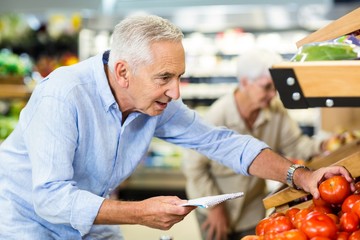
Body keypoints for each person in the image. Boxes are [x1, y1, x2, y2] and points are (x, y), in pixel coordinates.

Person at [0, 15, 353, 240]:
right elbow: (50, 198)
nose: (176, 91)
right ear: (123, 72)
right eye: (165, 78)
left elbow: (221, 142)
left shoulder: (156, 103)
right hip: (27, 220)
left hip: (87, 219)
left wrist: (301, 176)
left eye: (179, 77)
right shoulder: (63, 96)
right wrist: (140, 212)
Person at [182, 48, 329, 240]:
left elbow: (295, 144)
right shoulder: (218, 115)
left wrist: (323, 146)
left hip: (252, 208)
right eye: (266, 87)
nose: (273, 94)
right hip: (215, 207)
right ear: (244, 83)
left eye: (274, 87)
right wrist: (215, 208)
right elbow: (193, 167)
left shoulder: (275, 111)